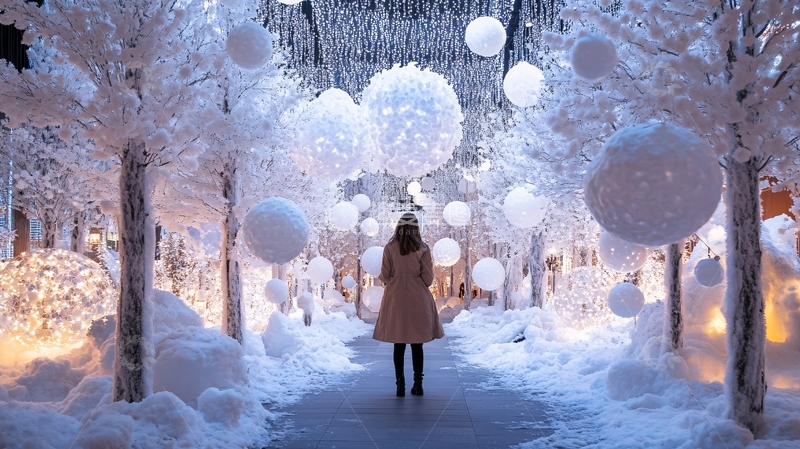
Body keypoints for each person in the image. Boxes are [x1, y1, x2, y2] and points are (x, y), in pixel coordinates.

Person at [373, 212, 444, 397]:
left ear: (398, 226)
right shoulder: (423, 248)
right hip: (418, 297)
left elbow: (385, 275)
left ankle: (400, 385)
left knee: (398, 343)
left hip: (395, 296)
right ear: (415, 227)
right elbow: (428, 278)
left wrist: (391, 279)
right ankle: (418, 385)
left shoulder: (389, 248)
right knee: (417, 344)